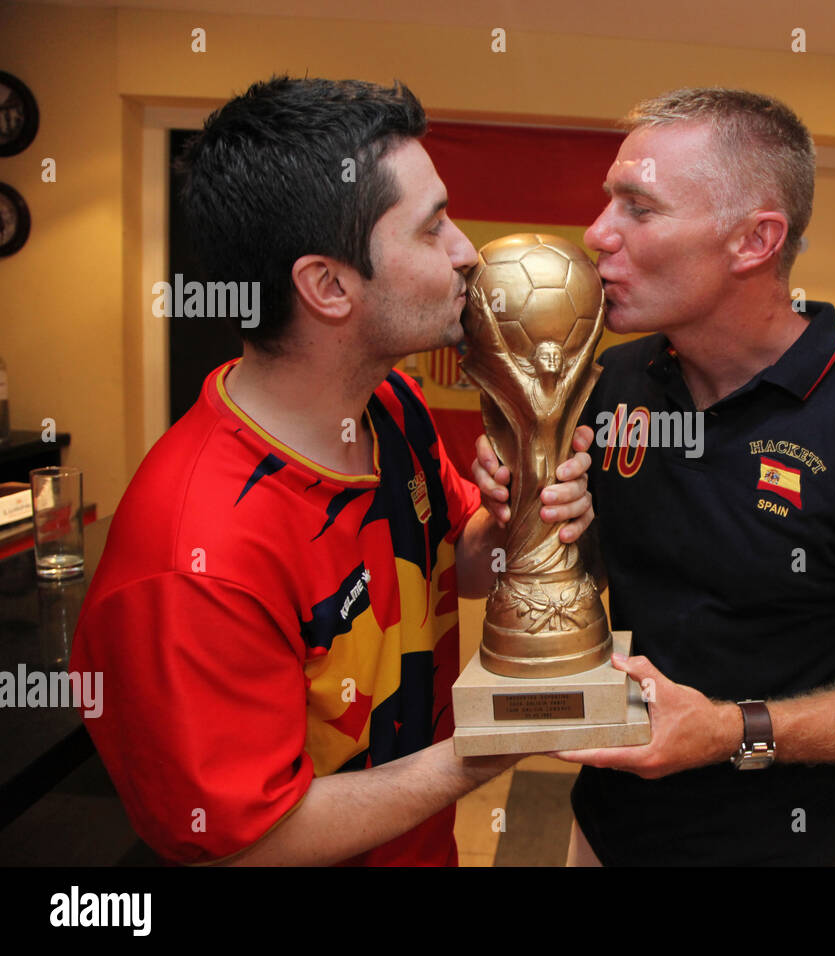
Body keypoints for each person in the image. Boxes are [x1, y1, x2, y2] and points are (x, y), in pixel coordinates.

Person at [70, 76, 595, 866]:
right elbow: (255, 841)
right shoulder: (195, 558)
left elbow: (463, 562)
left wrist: (526, 514)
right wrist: (489, 747)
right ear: (327, 286)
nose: (466, 254)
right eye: (433, 229)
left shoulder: (395, 407)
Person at [472, 87, 835, 866]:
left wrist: (736, 730)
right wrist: (518, 515)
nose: (596, 233)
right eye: (606, 201)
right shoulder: (616, 379)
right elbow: (483, 575)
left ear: (754, 240)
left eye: (638, 208)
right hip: (602, 830)